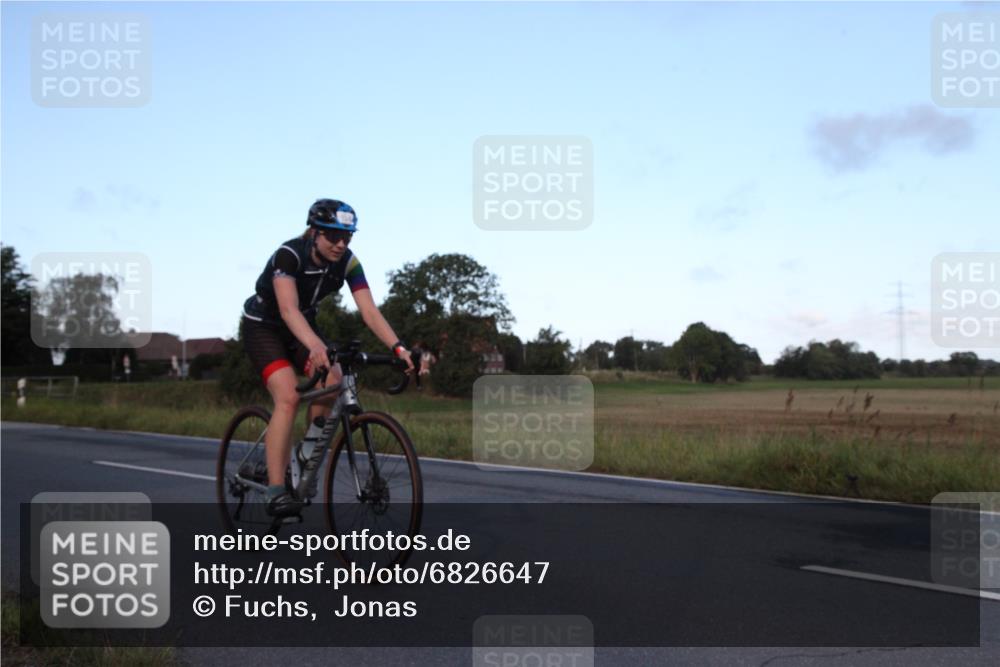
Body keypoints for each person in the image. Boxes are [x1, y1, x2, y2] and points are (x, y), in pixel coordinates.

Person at [241, 198, 413, 516]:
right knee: (289, 396)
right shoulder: (289, 254)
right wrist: (316, 347)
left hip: (301, 327)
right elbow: (287, 309)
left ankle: (307, 453)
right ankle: (276, 491)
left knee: (334, 380)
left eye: (347, 237)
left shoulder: (347, 262)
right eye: (333, 236)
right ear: (315, 232)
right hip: (264, 327)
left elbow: (370, 312)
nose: (341, 243)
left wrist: (398, 348)